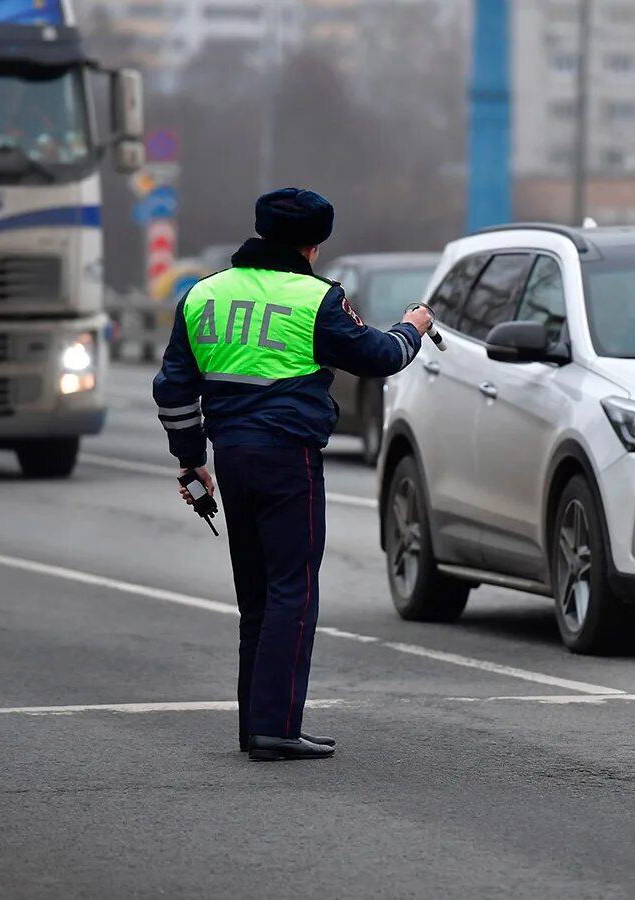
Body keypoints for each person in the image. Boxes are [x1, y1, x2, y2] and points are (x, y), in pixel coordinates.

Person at [153, 188, 432, 761]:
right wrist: (413, 327)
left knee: (256, 599)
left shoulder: (202, 295)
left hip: (230, 457)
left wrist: (189, 459)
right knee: (293, 593)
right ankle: (276, 727)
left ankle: (255, 725)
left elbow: (173, 388)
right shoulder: (316, 299)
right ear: (315, 244)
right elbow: (378, 357)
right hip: (288, 458)